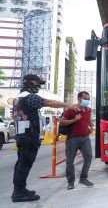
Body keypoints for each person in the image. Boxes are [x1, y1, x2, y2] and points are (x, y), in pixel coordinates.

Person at [12, 74, 78, 202]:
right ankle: (19, 193)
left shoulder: (17, 98)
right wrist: (67, 104)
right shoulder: (29, 97)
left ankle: (19, 189)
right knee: (24, 164)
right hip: (28, 136)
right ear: (30, 82)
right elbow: (47, 102)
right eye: (37, 83)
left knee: (21, 164)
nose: (38, 86)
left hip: (22, 135)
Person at [60, 91, 94, 190]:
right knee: (70, 161)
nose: (87, 101)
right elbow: (62, 122)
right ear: (79, 99)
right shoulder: (71, 110)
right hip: (73, 138)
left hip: (85, 138)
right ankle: (71, 182)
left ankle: (83, 178)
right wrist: (74, 120)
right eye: (85, 98)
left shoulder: (88, 109)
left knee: (88, 157)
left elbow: (88, 119)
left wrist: (91, 126)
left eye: (88, 99)